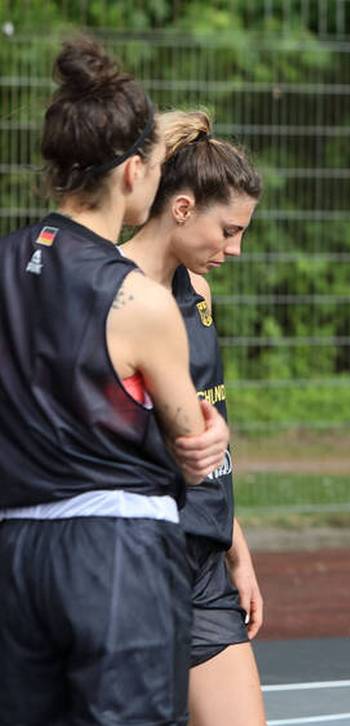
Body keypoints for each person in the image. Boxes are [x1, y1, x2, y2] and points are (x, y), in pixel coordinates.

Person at [0, 37, 229, 724]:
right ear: (133, 171)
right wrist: (209, 436)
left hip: (15, 548)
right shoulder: (139, 300)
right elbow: (193, 441)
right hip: (116, 553)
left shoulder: (6, 262)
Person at [120, 109, 266, 726]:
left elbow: (206, 433)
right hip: (132, 558)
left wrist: (236, 547)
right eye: (228, 231)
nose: (233, 250)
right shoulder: (108, 289)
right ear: (181, 209)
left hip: (203, 560)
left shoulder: (198, 292)